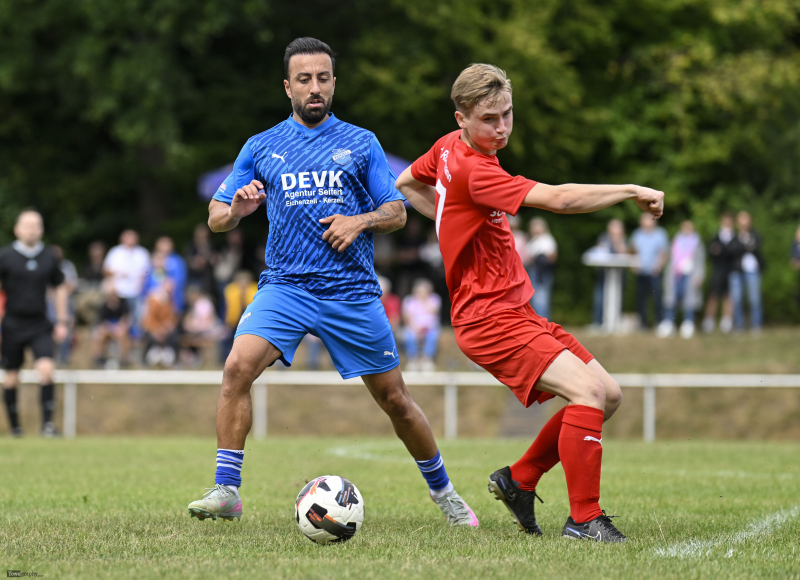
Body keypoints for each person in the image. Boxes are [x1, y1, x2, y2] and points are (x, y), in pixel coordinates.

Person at [188, 37, 477, 528]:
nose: (315, 87)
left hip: (351, 293)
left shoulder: (361, 143)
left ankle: (444, 493)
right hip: (286, 287)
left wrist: (358, 221)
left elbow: (397, 212)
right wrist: (236, 209)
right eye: (304, 79)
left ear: (334, 83)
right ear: (288, 87)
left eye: (323, 78)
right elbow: (216, 217)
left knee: (395, 400)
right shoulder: (261, 146)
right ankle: (227, 490)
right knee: (236, 369)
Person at [396, 63, 664, 542]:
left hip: (514, 311)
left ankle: (519, 480)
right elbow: (560, 200)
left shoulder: (448, 147)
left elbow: (407, 184)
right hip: (489, 318)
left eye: (507, 114)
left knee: (608, 395)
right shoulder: (476, 170)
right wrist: (629, 190)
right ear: (461, 118)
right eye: (489, 119)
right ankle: (585, 520)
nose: (501, 127)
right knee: (588, 394)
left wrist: (453, 224)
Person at [0, 210, 69, 437]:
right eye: (27, 226)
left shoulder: (49, 256)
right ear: (17, 229)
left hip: (40, 324)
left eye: (36, 225)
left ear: (41, 229)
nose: (31, 230)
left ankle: (47, 426)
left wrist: (61, 321)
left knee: (47, 370)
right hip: (12, 324)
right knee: (11, 377)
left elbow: (60, 288)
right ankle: (15, 428)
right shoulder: (5, 256)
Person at [657, 220, 705, 339]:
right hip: (676, 274)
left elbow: (701, 260)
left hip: (690, 275)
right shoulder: (676, 240)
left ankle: (688, 322)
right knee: (671, 299)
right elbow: (671, 257)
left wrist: (700, 275)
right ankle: (669, 322)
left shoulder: (697, 242)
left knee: (689, 300)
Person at [103, 229, 150, 331]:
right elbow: (106, 270)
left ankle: (136, 335)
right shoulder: (115, 252)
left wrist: (143, 277)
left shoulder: (142, 253)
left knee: (137, 316)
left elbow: (148, 270)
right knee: (122, 318)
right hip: (119, 291)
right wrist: (117, 273)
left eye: (132, 237)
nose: (130, 240)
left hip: (137, 291)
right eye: (128, 237)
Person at [631, 212, 670, 330]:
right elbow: (632, 251)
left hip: (654, 272)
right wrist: (634, 266)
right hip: (641, 271)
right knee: (641, 298)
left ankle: (659, 322)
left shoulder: (660, 234)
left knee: (657, 297)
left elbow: (664, 252)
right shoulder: (637, 234)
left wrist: (659, 266)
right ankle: (643, 323)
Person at [728, 211, 764, 332]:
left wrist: (745, 246)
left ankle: (756, 325)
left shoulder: (755, 235)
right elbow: (732, 251)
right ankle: (739, 325)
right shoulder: (734, 237)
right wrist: (746, 246)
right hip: (737, 271)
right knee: (737, 299)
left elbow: (756, 247)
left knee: (754, 299)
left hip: (753, 271)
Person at [589, 219, 628, 327]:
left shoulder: (624, 239)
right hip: (604, 273)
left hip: (618, 275)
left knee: (617, 298)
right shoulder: (604, 238)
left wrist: (618, 242)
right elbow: (600, 252)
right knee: (600, 297)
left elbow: (624, 254)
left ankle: (615, 322)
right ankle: (598, 322)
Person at [701, 212, 735, 334]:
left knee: (728, 296)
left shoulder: (734, 237)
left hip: (730, 270)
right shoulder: (715, 237)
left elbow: (734, 252)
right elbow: (712, 251)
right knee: (713, 295)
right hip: (717, 270)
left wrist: (722, 250)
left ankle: (726, 321)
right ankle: (709, 320)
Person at [402, 278, 441, 372]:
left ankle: (427, 359)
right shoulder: (408, 300)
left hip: (430, 327)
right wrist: (415, 328)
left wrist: (424, 301)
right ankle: (413, 360)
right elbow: (407, 318)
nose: (422, 293)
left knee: (432, 336)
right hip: (413, 327)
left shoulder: (434, 299)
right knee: (409, 336)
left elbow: (434, 313)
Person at [90, 281, 131, 368]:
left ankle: (124, 360)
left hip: (119, 329)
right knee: (99, 335)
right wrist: (110, 328)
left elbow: (125, 319)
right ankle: (98, 359)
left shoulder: (124, 304)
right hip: (108, 329)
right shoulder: (103, 306)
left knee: (123, 334)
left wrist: (119, 327)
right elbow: (101, 322)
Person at [141, 278, 179, 367]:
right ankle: (146, 360)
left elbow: (172, 319)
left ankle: (173, 360)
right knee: (148, 337)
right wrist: (156, 330)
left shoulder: (171, 301)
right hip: (153, 330)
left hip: (165, 331)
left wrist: (166, 328)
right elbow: (148, 319)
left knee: (175, 335)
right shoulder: (152, 299)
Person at [525, 217, 557, 320]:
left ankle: (543, 320)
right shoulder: (532, 240)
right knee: (534, 298)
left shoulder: (547, 239)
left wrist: (541, 259)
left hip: (542, 272)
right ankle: (537, 320)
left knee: (541, 298)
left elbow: (553, 256)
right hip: (533, 270)